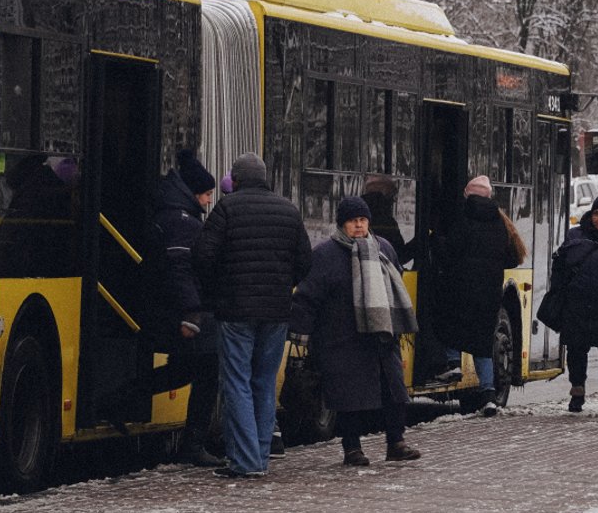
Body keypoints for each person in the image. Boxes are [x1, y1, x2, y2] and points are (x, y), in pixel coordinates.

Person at [193, 153, 312, 478]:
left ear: (237, 178)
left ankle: (245, 462)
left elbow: (203, 256)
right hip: (276, 312)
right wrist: (283, 284)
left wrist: (216, 290)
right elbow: (305, 261)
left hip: (235, 311)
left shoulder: (226, 209)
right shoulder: (288, 209)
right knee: (263, 381)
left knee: (236, 381)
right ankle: (259, 455)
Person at [288, 196, 422, 466]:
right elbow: (307, 295)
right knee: (349, 398)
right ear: (342, 224)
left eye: (362, 220)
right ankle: (352, 449)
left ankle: (396, 443)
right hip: (340, 337)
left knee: (394, 391)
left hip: (381, 337)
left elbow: (396, 281)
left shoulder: (383, 248)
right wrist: (301, 333)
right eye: (353, 221)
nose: (359, 226)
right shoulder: (325, 254)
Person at [150, 150, 221, 467]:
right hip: (185, 314)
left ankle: (119, 400)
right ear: (192, 192)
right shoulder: (183, 223)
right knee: (205, 372)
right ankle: (193, 444)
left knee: (189, 370)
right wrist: (192, 312)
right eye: (206, 195)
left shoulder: (175, 215)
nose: (208, 202)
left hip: (176, 309)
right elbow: (180, 269)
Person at [432, 174, 525, 416]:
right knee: (483, 343)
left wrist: (435, 241)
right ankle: (488, 395)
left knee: (449, 322)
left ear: (467, 195)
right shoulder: (500, 223)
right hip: (490, 292)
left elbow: (451, 250)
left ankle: (452, 364)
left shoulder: (462, 219)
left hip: (461, 287)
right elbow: (512, 256)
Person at [550, 193, 598, 416]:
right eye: (596, 213)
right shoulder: (576, 234)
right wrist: (560, 293)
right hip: (577, 305)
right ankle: (577, 393)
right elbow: (560, 266)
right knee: (576, 351)